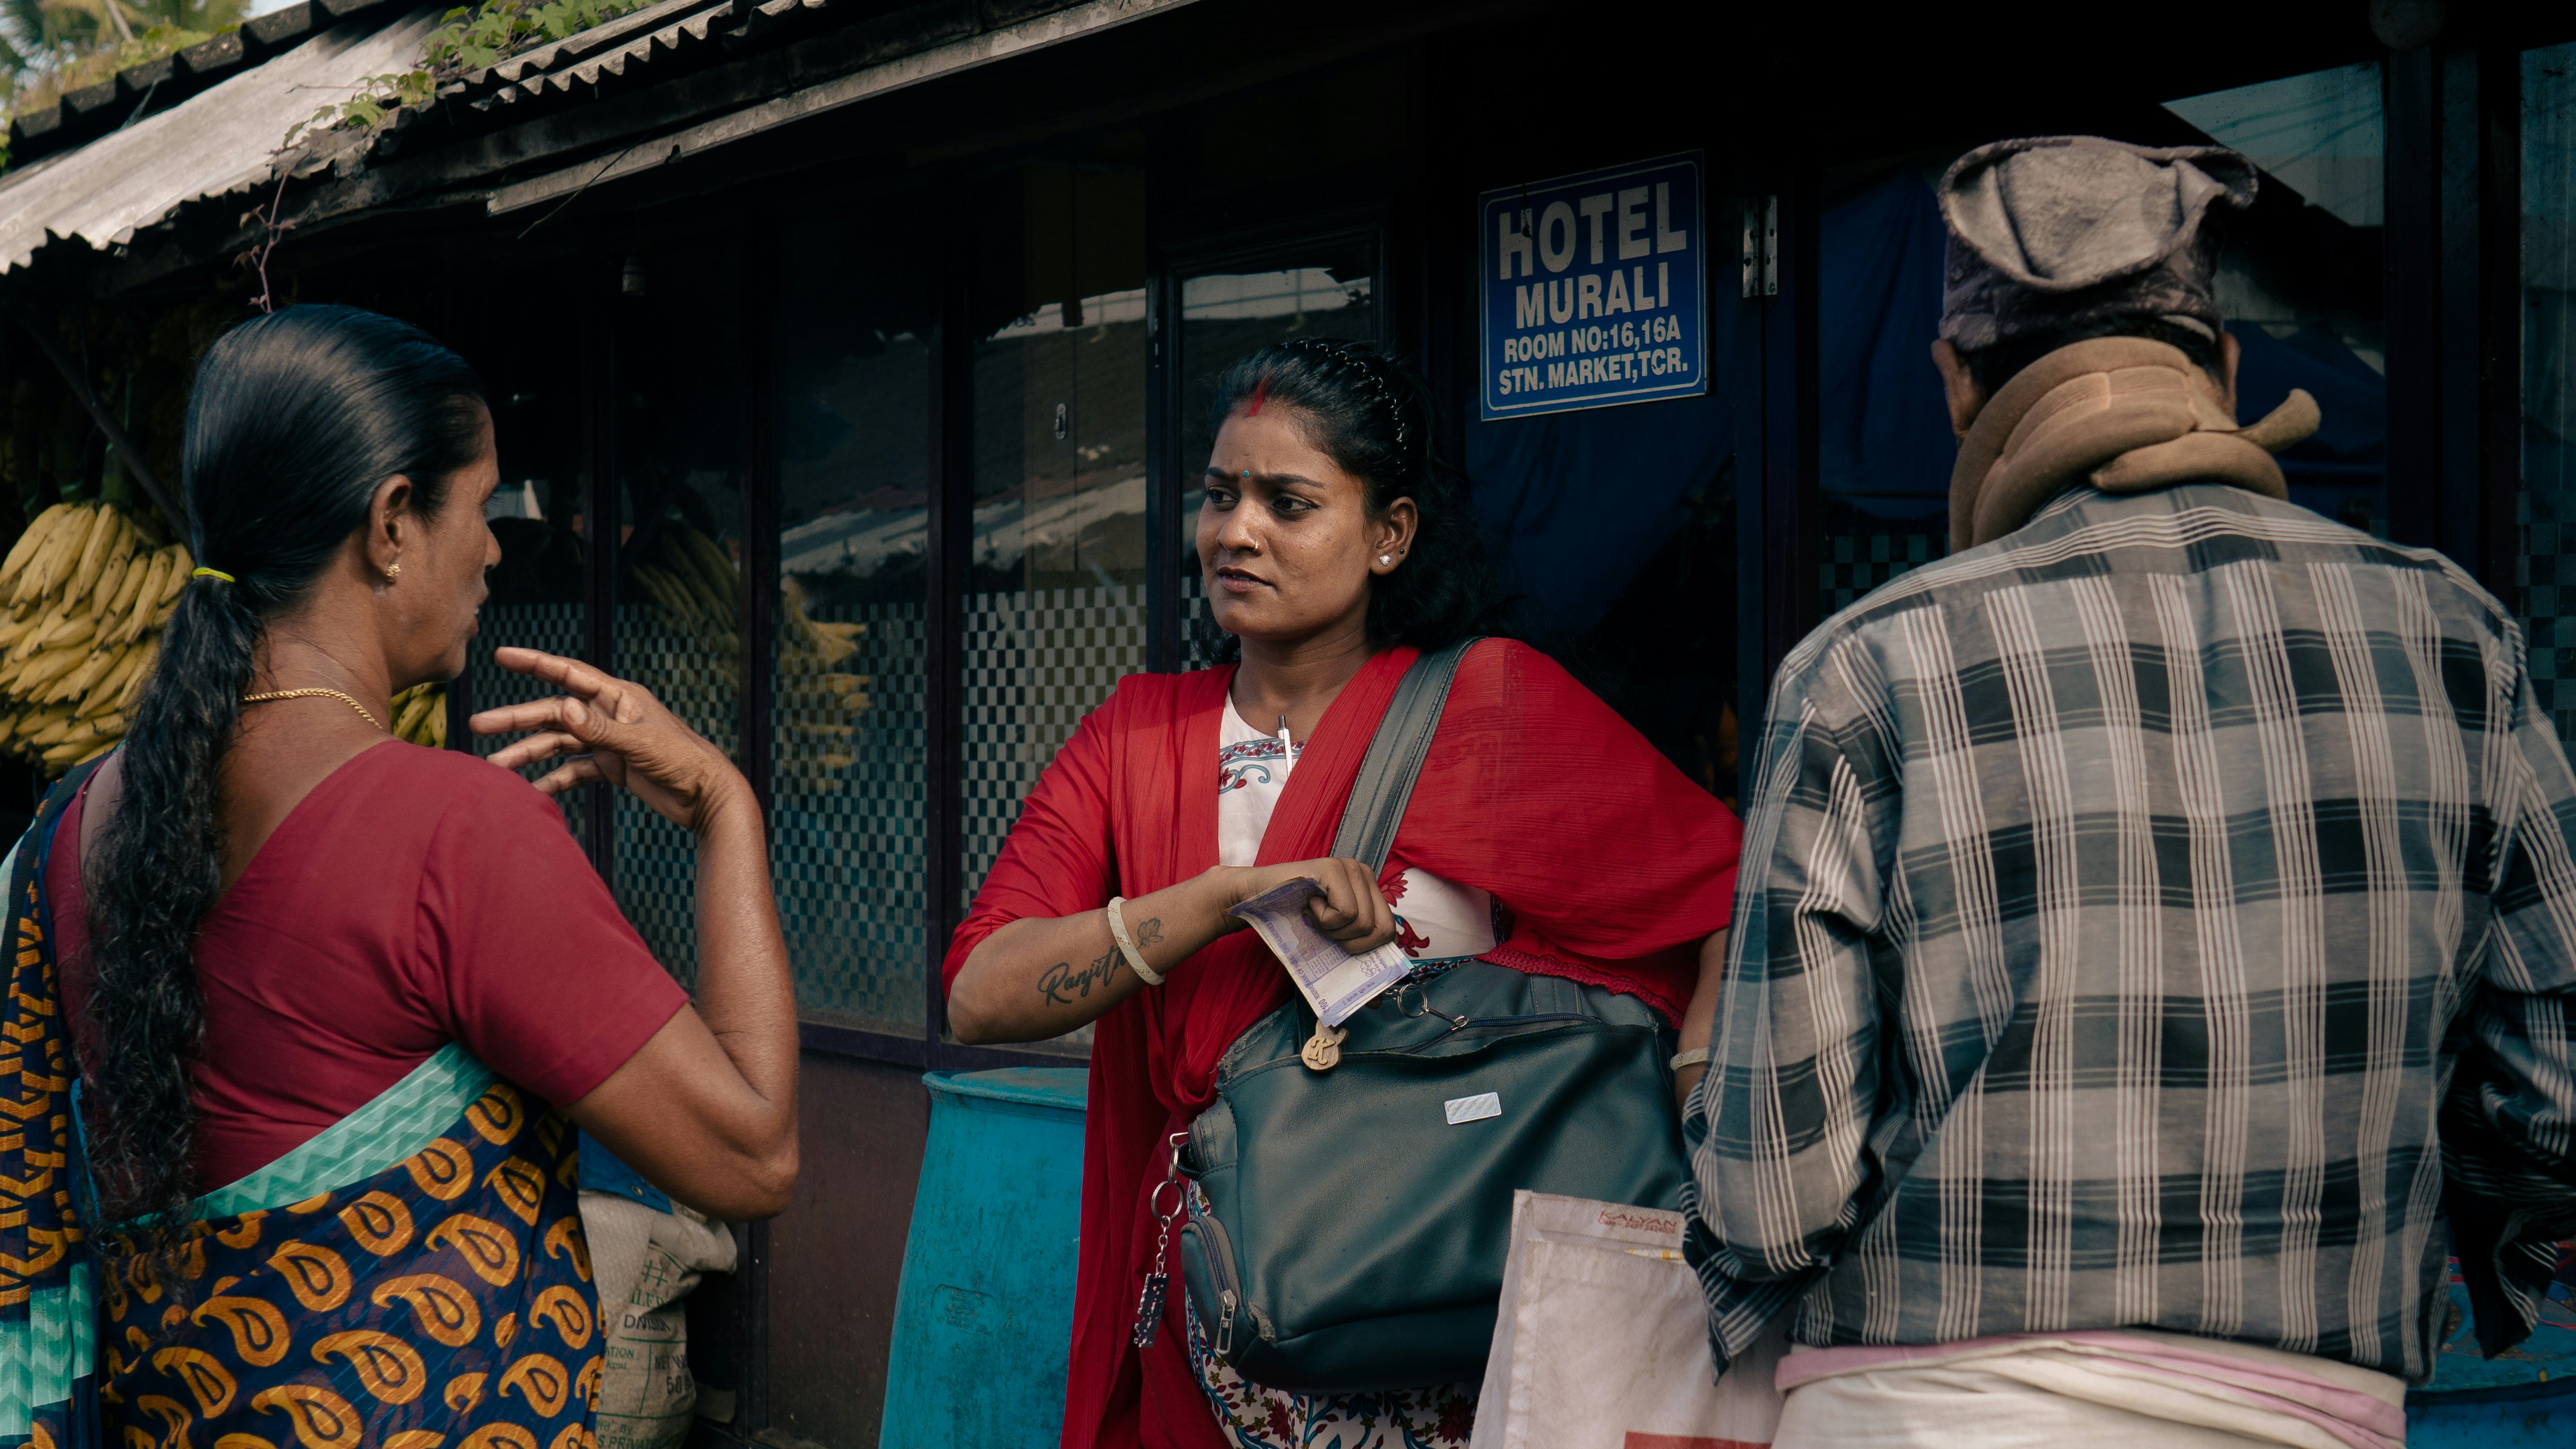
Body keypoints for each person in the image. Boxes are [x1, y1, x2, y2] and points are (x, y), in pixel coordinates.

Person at [1683, 134, 2576, 1447]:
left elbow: (1774, 1198)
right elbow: (2552, 1102)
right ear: (2220, 368)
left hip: (1929, 1413)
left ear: (1953, 386)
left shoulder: (1866, 667)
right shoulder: (2460, 643)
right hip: (2314, 1411)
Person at [0, 305, 799, 1448]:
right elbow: (752, 1153)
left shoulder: (71, 828)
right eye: (478, 507)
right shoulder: (453, 831)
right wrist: (728, 806)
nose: (492, 549)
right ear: (389, 524)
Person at [943, 336, 1744, 1449]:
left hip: (1461, 1329)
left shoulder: (1488, 709)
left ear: (1390, 534)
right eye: (1221, 495)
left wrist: (1700, 1110)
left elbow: (1728, 892)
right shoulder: (1135, 735)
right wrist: (1228, 895)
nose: (1236, 531)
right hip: (1226, 1322)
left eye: (1289, 501)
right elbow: (981, 993)